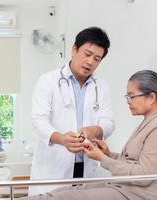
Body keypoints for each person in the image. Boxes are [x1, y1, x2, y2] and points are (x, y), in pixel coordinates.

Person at [20, 70, 157, 200]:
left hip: (138, 193)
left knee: (65, 197)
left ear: (151, 97)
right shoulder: (149, 122)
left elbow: (144, 175)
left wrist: (102, 158)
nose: (128, 101)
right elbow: (133, 162)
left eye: (131, 96)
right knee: (59, 192)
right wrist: (108, 153)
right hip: (123, 186)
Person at [29, 26, 115, 194]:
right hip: (54, 168)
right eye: (87, 54)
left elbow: (109, 122)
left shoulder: (101, 86)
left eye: (97, 58)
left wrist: (95, 130)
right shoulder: (48, 81)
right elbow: (38, 121)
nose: (90, 62)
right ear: (74, 50)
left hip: (87, 167)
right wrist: (61, 138)